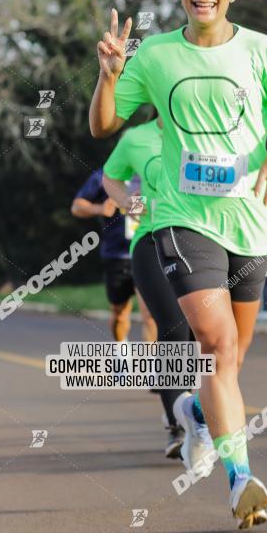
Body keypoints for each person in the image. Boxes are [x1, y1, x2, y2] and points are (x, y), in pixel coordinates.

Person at [89, 0, 267, 528]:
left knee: (232, 359)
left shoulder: (263, 52)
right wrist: (108, 77)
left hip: (252, 222)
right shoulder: (155, 56)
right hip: (182, 219)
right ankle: (241, 478)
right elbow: (103, 125)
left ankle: (190, 411)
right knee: (215, 346)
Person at [102, 116, 195, 459]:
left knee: (200, 336)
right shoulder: (136, 138)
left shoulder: (207, 130)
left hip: (202, 241)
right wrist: (134, 205)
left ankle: (188, 412)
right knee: (173, 327)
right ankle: (176, 424)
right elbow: (110, 178)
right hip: (152, 240)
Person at [71, 168, 157, 344]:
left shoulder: (152, 169)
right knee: (120, 312)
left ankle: (152, 370)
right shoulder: (106, 175)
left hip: (147, 251)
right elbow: (77, 206)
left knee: (150, 313)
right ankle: (121, 352)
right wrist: (100, 208)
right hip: (116, 255)